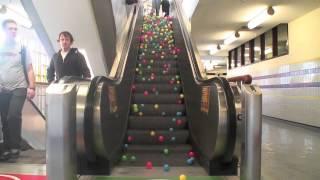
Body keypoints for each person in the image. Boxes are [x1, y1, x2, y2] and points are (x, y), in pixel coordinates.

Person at [0, 19, 36, 161]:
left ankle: (15, 147)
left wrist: (32, 87)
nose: (13, 31)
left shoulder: (22, 47)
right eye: (10, 29)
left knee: (13, 115)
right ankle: (7, 147)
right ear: (4, 30)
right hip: (3, 89)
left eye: (15, 29)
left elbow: (29, 68)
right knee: (4, 118)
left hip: (19, 86)